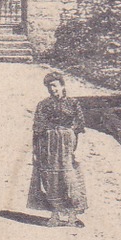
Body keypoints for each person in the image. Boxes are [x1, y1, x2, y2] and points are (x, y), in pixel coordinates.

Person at [29, 71, 88, 227]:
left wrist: (71, 141)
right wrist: (36, 151)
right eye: (49, 87)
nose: (52, 89)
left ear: (62, 86)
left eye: (54, 86)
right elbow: (37, 129)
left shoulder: (73, 104)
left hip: (68, 148)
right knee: (52, 181)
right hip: (49, 148)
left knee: (70, 180)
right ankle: (54, 215)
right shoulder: (43, 105)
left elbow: (79, 126)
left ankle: (72, 217)